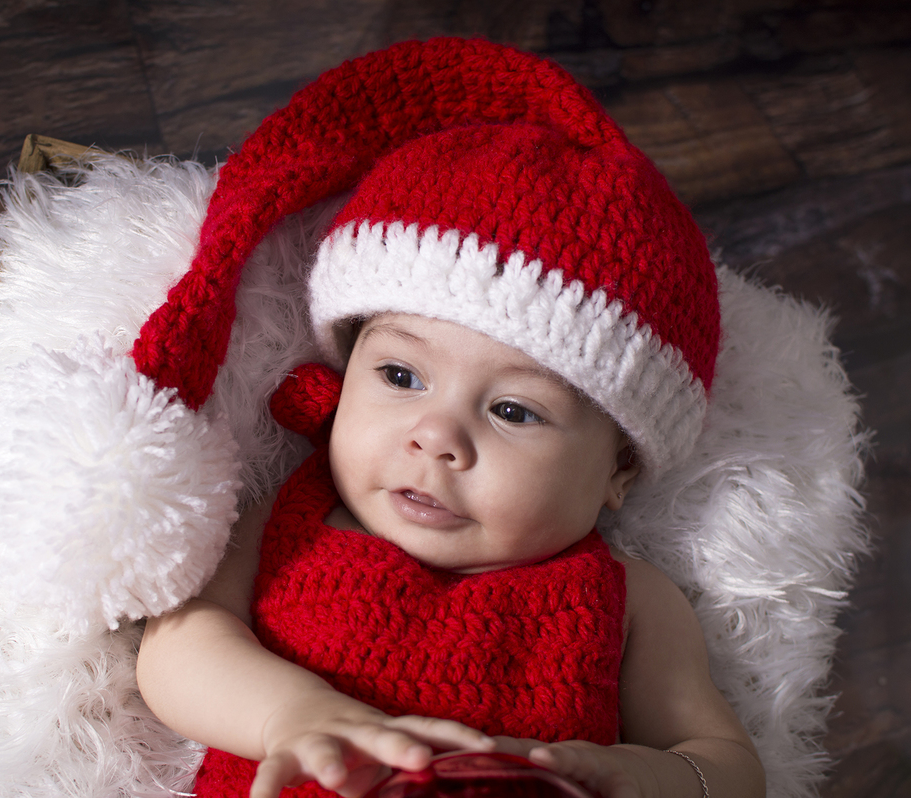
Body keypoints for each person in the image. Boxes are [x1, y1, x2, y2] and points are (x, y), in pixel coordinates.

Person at [133, 38, 766, 798]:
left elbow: (726, 764)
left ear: (617, 470)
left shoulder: (626, 601)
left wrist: (655, 776)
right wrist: (292, 714)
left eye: (512, 411)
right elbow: (176, 648)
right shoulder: (291, 523)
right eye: (401, 375)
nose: (435, 437)